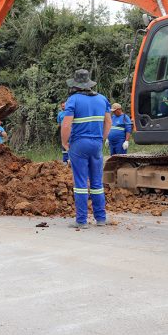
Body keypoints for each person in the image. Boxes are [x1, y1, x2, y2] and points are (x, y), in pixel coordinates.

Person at [60, 69, 112, 228]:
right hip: (96, 144)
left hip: (79, 144)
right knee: (97, 182)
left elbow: (67, 124)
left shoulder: (73, 100)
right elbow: (108, 122)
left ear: (75, 85)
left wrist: (64, 142)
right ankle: (101, 219)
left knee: (81, 182)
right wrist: (101, 139)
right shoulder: (102, 99)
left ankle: (81, 221)